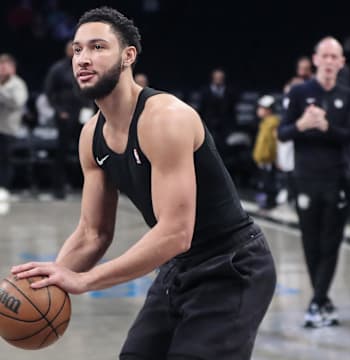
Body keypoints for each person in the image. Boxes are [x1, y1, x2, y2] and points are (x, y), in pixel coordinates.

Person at [11, 7, 276, 360]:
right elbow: (94, 232)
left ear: (128, 56)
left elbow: (175, 232)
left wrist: (86, 280)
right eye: (77, 50)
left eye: (97, 47)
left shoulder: (166, 118)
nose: (83, 59)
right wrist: (55, 277)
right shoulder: (91, 136)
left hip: (231, 264)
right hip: (178, 268)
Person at [278, 36, 350, 328]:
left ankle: (317, 302)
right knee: (310, 241)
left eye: (333, 57)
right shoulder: (300, 93)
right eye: (323, 56)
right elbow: (283, 133)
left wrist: (326, 126)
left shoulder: (348, 96)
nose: (328, 61)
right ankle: (321, 300)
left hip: (336, 177)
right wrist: (302, 124)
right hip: (305, 177)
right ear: (315, 60)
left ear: (340, 62)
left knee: (331, 241)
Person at [44, 40, 93, 199]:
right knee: (62, 152)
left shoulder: (85, 66)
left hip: (82, 114)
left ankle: (85, 187)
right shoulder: (58, 69)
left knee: (86, 151)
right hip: (65, 115)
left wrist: (89, 107)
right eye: (72, 49)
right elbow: (50, 92)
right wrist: (59, 111)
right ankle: (58, 188)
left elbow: (91, 87)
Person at [0, 53, 29, 201]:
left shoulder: (18, 84)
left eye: (5, 66)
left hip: (8, 128)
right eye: (1, 65)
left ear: (12, 68)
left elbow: (18, 103)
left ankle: (4, 188)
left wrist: (2, 93)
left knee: (5, 160)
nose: (2, 69)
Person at [198, 68, 236, 156]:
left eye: (220, 78)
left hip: (225, 125)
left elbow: (232, 111)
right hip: (209, 124)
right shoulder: (205, 91)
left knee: (224, 149)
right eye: (217, 77)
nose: (218, 79)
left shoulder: (230, 92)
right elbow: (202, 108)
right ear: (212, 78)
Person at [252, 95, 280, 209]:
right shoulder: (264, 123)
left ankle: (270, 203)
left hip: (269, 160)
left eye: (261, 108)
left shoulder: (273, 123)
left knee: (269, 182)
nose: (259, 110)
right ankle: (266, 203)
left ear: (268, 110)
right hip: (263, 159)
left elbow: (274, 143)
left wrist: (275, 158)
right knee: (264, 181)